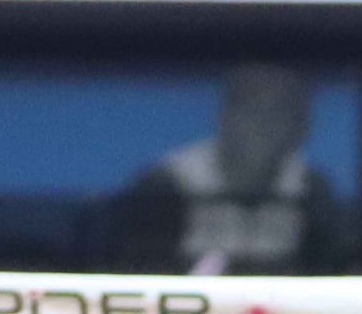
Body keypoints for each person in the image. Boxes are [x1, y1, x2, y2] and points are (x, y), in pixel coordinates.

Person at [112, 65, 348, 276]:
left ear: (301, 127)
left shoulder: (312, 191)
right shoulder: (163, 185)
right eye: (252, 108)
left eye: (279, 112)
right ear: (224, 115)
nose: (263, 126)